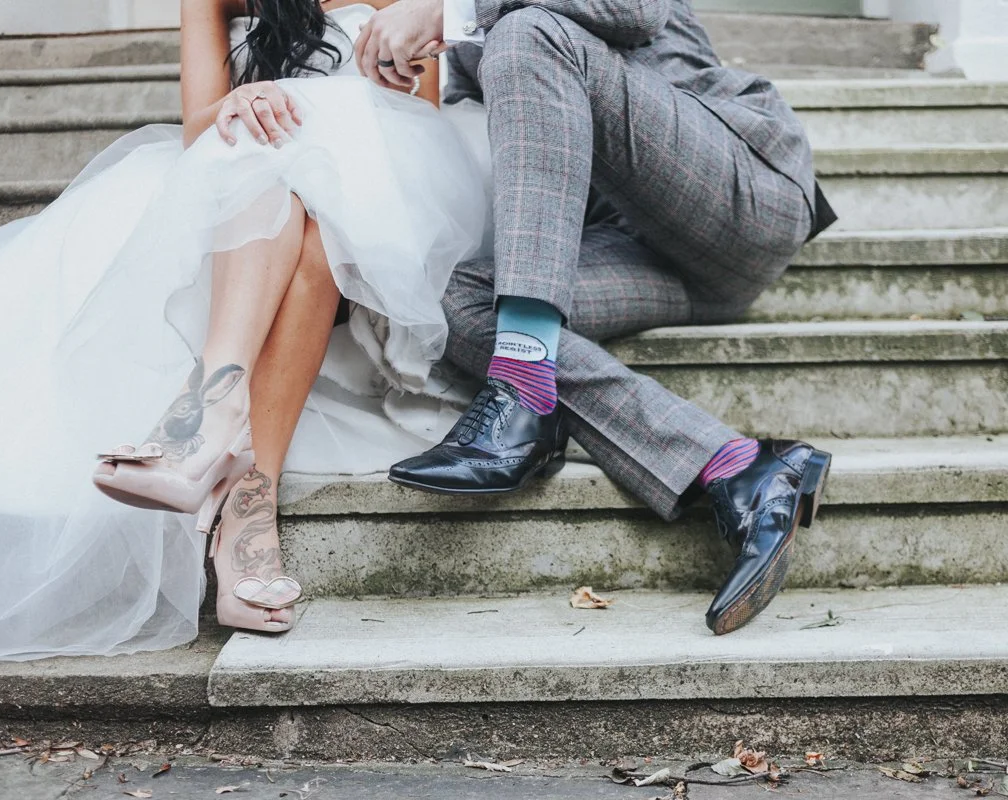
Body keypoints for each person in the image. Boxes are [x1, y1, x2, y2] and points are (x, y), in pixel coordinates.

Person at [0, 0, 488, 675]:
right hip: (246, 217)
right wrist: (243, 103)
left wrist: (317, 109)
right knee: (264, 166)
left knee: (315, 192)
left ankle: (204, 424)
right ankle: (247, 505)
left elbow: (412, 128)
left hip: (367, 231)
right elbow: (199, 131)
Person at [357, 0, 838, 634]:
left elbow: (633, 11)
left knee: (526, 31)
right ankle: (736, 467)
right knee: (450, 300)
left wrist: (452, 11)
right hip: (642, 256)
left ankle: (522, 392)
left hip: (738, 192)